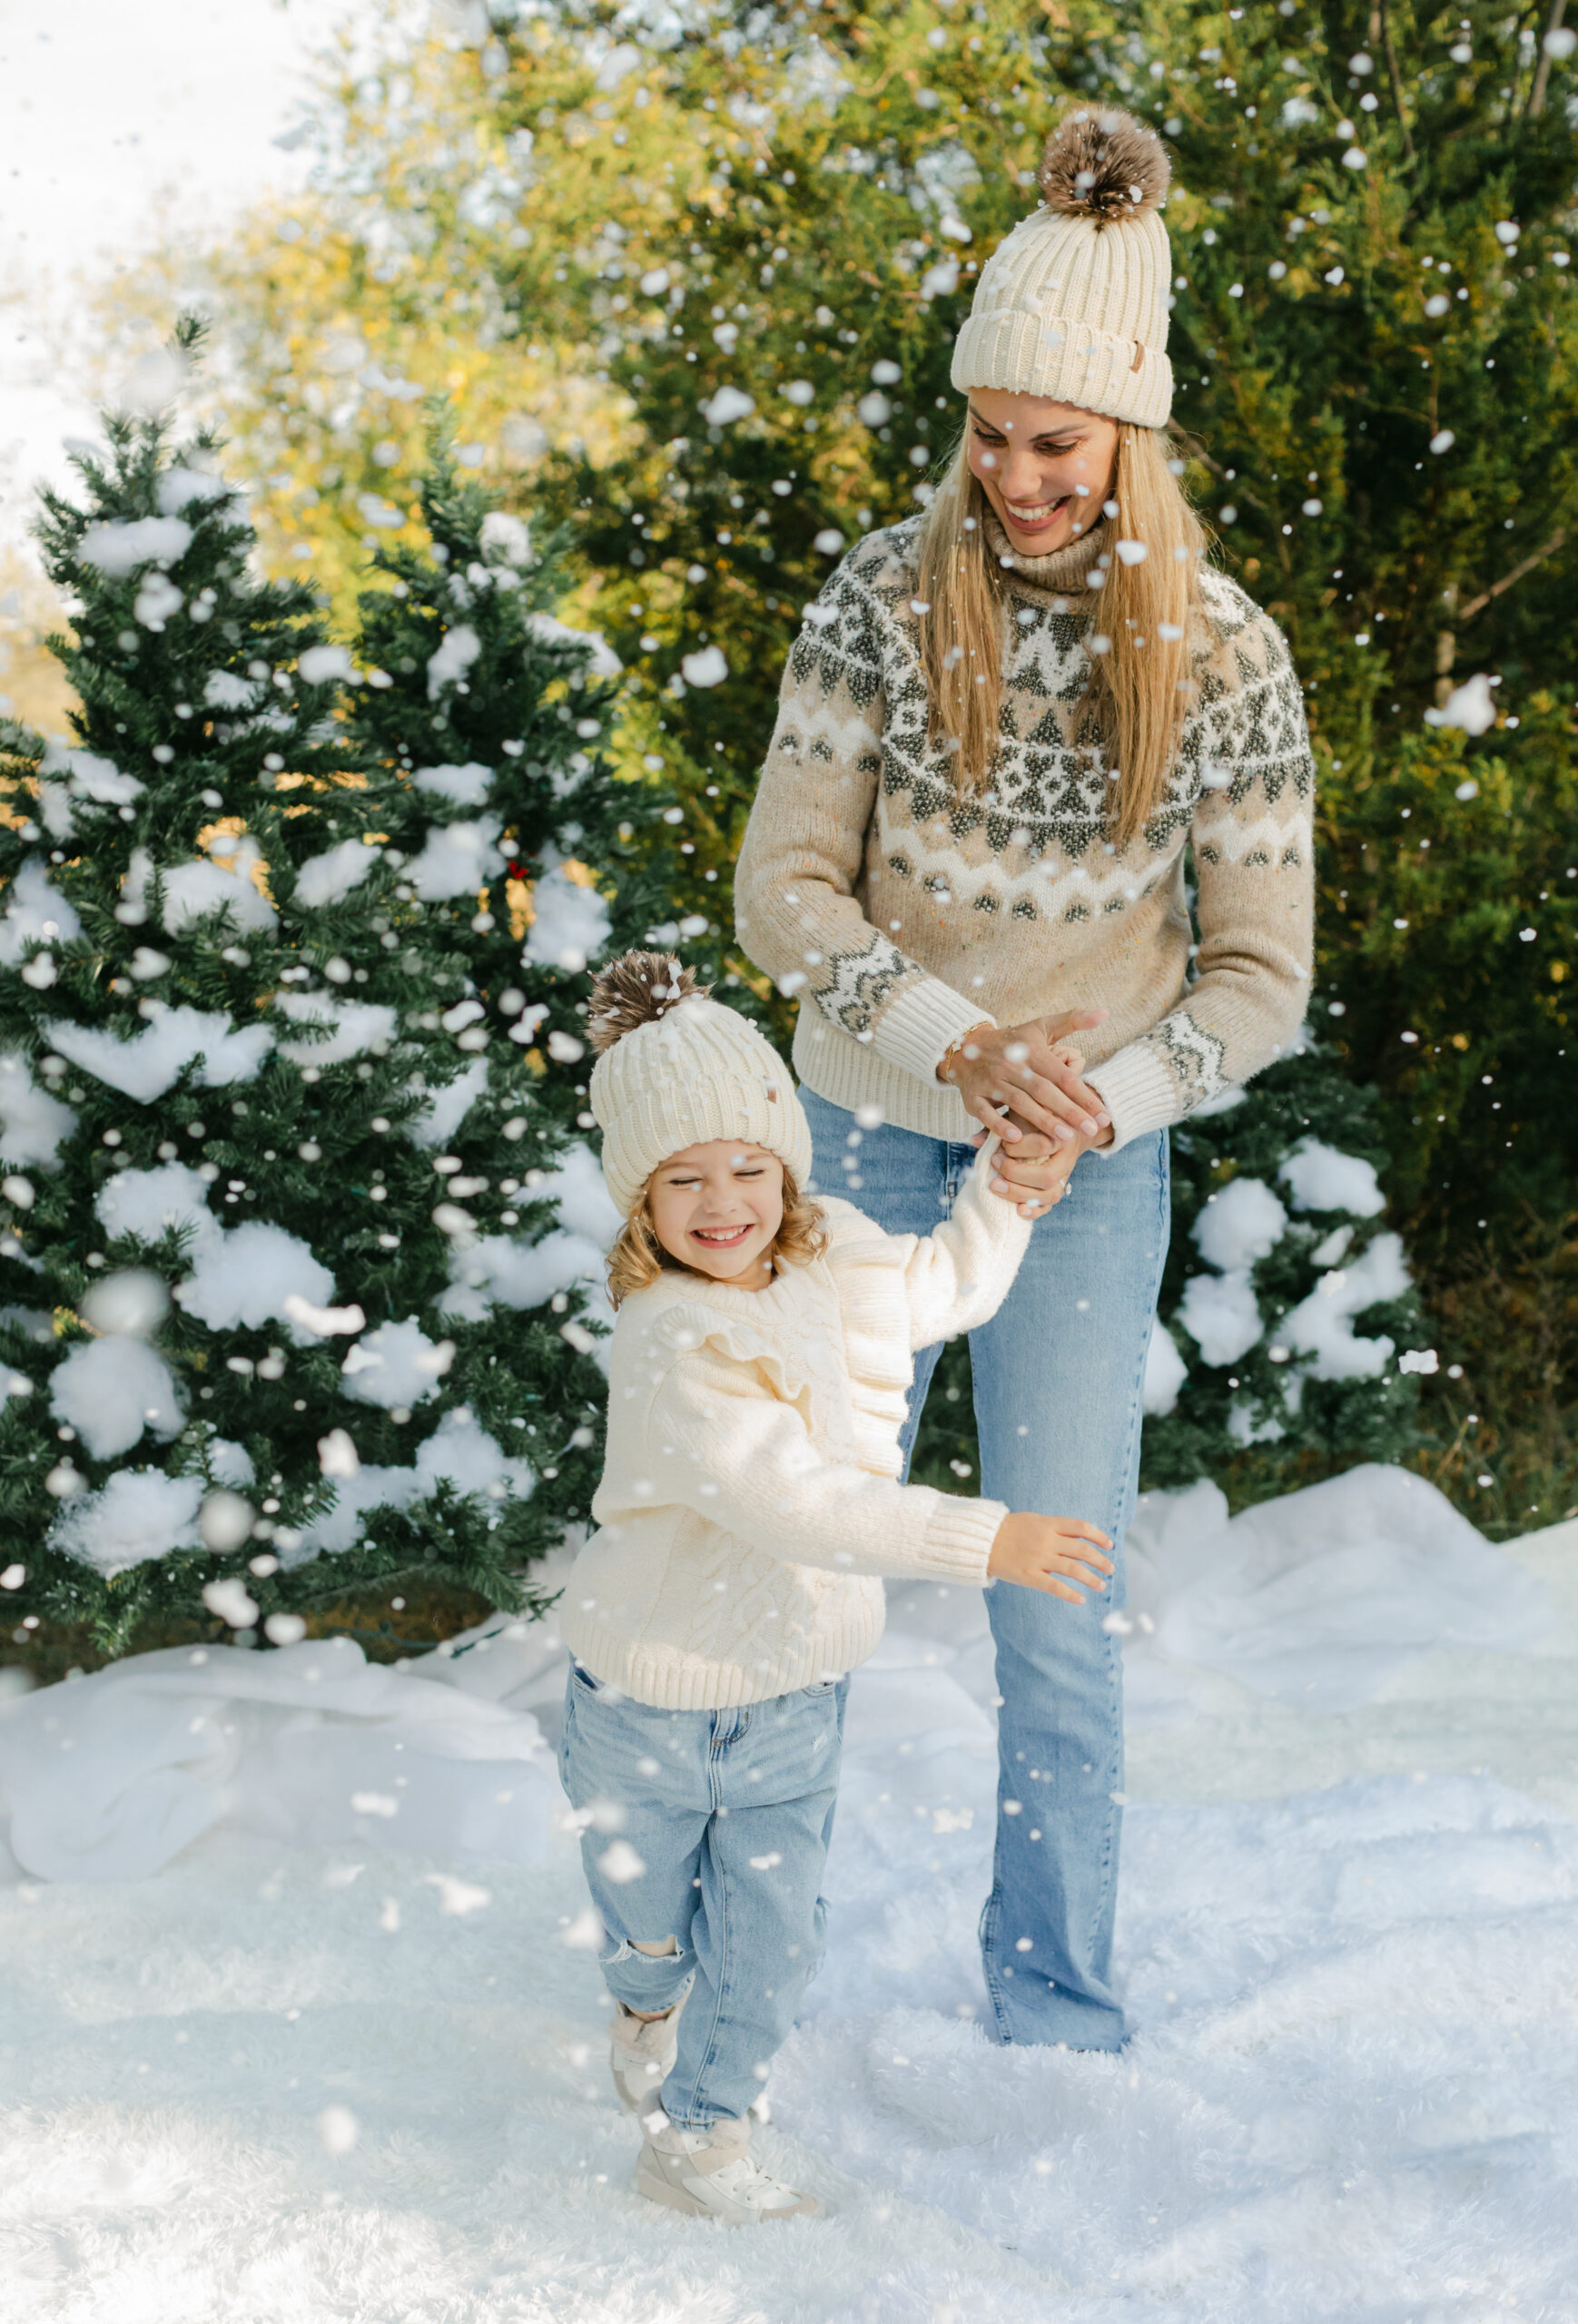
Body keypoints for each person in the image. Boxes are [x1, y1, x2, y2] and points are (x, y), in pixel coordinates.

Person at [735, 104, 1316, 2052]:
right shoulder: (881, 598)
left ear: (1124, 440)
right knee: (796, 1572)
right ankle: (736, 1992)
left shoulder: (1221, 654)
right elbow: (780, 885)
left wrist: (1092, 1100)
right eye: (986, 433)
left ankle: (1051, 2011)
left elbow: (1256, 979)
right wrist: (953, 1044)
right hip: (861, 1138)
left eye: (1050, 442)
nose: (1012, 475)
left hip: (1080, 1178)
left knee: (1054, 1604)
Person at [557, 950, 1114, 2223]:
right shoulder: (671, 1338)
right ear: (636, 1201)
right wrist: (982, 1539)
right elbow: (789, 1497)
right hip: (647, 1697)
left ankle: (699, 2140)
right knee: (651, 1912)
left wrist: (1008, 1187)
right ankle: (645, 1992)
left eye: (748, 1167)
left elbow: (946, 1286)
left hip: (795, 1688)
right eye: (680, 1179)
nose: (721, 1202)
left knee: (769, 1936)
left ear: (787, 1167)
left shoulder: (835, 1254)